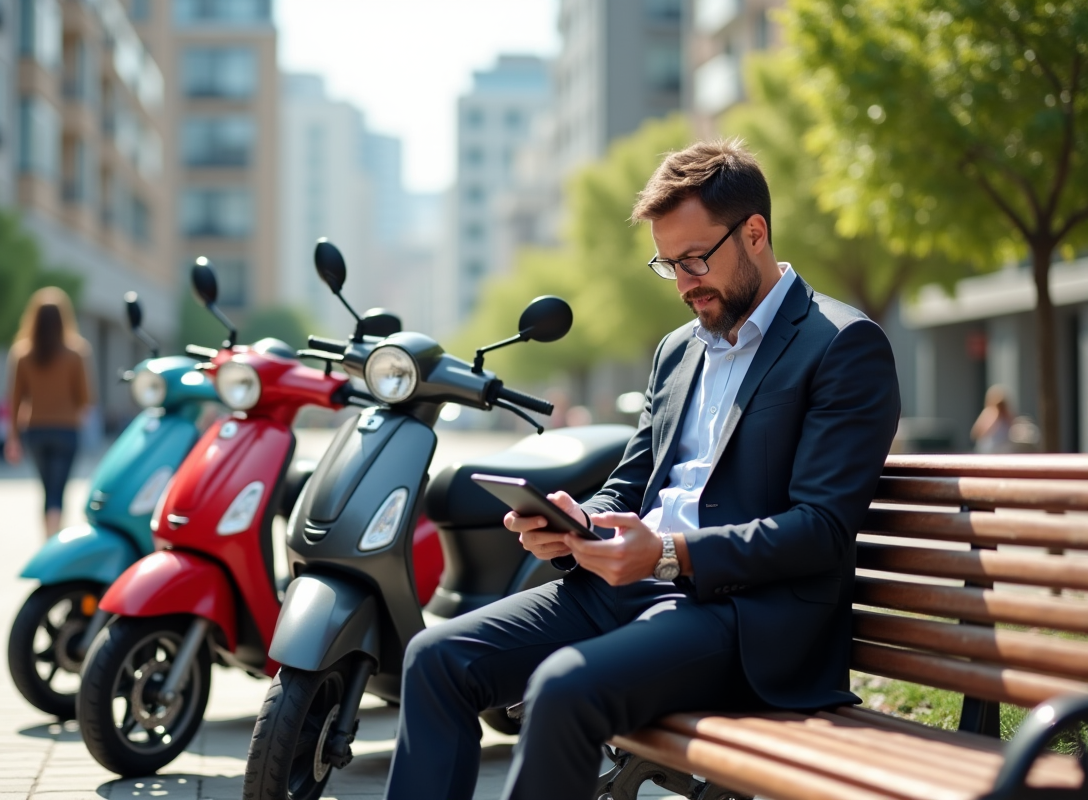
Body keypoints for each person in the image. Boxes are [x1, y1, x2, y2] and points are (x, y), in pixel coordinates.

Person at [383, 140, 901, 800]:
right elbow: (634, 483)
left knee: (561, 686)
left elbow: (821, 529)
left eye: (695, 259)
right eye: (669, 265)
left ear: (755, 233)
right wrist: (578, 526)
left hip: (745, 622)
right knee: (434, 659)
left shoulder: (840, 344)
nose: (685, 284)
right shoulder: (678, 350)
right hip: (627, 592)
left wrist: (668, 556)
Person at [6, 287, 93, 538]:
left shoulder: (22, 354)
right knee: (59, 489)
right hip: (67, 430)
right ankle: (54, 537)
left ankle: (48, 537)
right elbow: (86, 398)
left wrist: (12, 437)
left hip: (35, 430)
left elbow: (14, 399)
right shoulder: (76, 353)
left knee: (46, 489)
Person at [970, 384, 1014, 454]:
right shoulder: (989, 413)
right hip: (990, 450)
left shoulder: (1008, 416)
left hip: (1004, 450)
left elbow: (1013, 430)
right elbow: (975, 433)